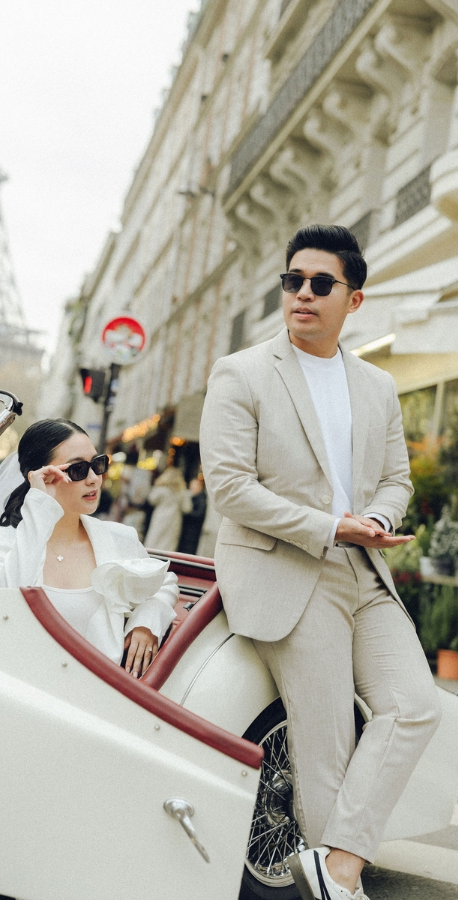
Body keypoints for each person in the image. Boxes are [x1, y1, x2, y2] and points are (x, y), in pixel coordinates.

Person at [200, 225, 441, 900]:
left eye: (320, 283)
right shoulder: (242, 372)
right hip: (286, 569)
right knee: (326, 742)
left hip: (363, 571)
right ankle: (341, 886)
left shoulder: (378, 385)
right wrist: (330, 525)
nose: (302, 293)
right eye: (292, 281)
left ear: (354, 300)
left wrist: (379, 520)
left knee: (415, 706)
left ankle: (335, 870)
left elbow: (397, 480)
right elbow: (230, 488)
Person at [0, 419, 178, 677]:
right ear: (40, 477)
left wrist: (148, 620)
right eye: (78, 469)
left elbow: (165, 583)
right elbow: (6, 605)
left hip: (99, 694)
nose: (94, 479)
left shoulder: (118, 538)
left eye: (98, 464)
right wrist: (39, 505)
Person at [143, 466, 192, 551]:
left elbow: (151, 499)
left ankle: (149, 555)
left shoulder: (161, 488)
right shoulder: (182, 491)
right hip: (174, 519)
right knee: (169, 542)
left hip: (160, 516)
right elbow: (187, 508)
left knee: (155, 537)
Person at [177, 477, 207, 555]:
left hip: (193, 531)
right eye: (191, 486)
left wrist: (187, 513)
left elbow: (199, 514)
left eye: (195, 486)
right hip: (189, 530)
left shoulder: (201, 499)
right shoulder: (191, 497)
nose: (192, 489)